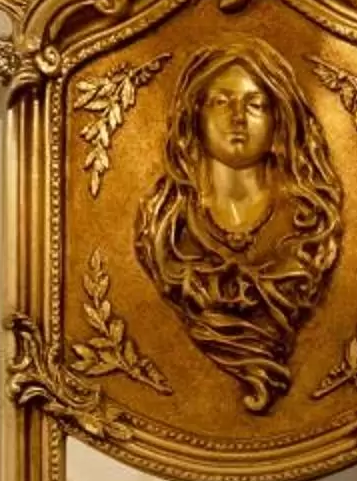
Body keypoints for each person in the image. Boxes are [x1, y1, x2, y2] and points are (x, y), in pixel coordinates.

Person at [135, 42, 342, 412]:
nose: (237, 117)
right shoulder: (165, 228)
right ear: (194, 115)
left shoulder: (311, 227)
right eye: (221, 101)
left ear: (279, 117)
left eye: (254, 104)